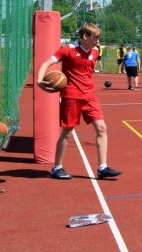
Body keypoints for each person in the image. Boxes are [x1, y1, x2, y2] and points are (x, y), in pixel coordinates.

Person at [36, 23, 122, 180]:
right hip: (71, 96)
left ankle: (102, 168)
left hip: (90, 97)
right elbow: (46, 63)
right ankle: (57, 168)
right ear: (85, 36)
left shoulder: (95, 51)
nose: (97, 41)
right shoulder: (68, 49)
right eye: (95, 37)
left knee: (102, 128)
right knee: (67, 132)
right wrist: (39, 80)